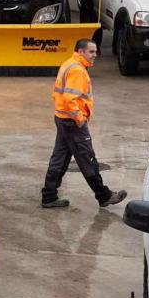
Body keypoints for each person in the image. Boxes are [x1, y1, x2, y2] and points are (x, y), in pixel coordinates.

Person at [42, 39, 126, 210]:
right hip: (72, 122)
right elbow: (69, 98)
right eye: (91, 52)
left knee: (60, 157)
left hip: (62, 118)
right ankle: (104, 195)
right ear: (80, 52)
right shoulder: (78, 71)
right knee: (87, 159)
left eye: (95, 52)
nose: (95, 55)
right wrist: (79, 118)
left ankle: (49, 196)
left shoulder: (70, 63)